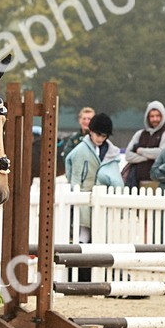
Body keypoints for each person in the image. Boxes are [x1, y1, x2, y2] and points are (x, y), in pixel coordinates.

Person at [64, 112, 121, 281]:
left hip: (103, 200)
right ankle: (80, 276)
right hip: (83, 198)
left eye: (104, 136)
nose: (101, 139)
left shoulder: (111, 152)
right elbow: (71, 173)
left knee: (101, 237)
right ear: (91, 132)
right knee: (82, 237)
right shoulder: (80, 150)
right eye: (98, 135)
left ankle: (98, 275)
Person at [121, 100, 165, 187]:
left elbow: (163, 153)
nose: (155, 119)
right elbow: (128, 155)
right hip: (136, 181)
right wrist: (148, 157)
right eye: (152, 116)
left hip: (157, 182)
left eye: (157, 116)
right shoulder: (140, 134)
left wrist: (140, 150)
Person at [57, 106, 95, 173]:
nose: (86, 121)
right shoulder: (73, 139)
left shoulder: (100, 139)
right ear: (79, 120)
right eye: (84, 119)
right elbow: (67, 158)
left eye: (89, 119)